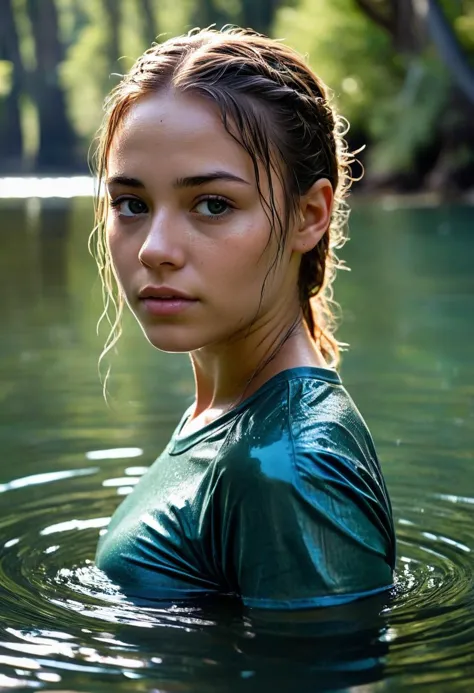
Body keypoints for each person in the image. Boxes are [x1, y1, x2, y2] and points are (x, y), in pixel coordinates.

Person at [92, 27, 396, 610]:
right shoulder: (232, 412)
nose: (154, 248)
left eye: (213, 205)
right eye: (132, 204)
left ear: (309, 215)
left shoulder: (286, 464)